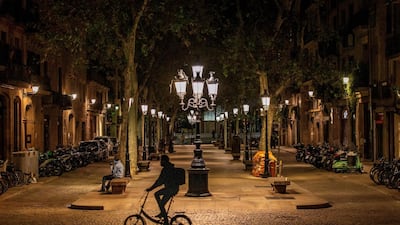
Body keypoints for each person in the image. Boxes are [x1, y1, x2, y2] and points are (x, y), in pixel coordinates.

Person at [146, 155, 179, 223]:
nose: (160, 162)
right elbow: (160, 181)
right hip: (172, 188)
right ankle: (162, 213)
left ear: (164, 161)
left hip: (171, 189)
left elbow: (159, 181)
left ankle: (165, 219)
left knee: (156, 194)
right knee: (162, 204)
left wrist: (151, 188)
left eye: (161, 161)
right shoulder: (169, 167)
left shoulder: (166, 169)